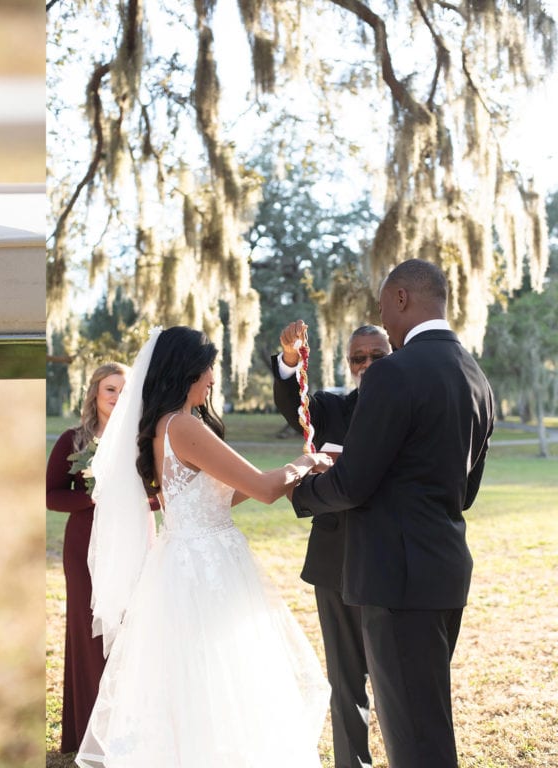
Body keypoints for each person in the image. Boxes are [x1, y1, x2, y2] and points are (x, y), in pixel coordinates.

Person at [76, 326, 333, 768]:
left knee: (195, 682)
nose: (213, 378)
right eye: (209, 368)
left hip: (182, 561)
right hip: (206, 566)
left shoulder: (162, 426)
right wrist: (307, 462)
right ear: (187, 372)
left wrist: (283, 472)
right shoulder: (184, 427)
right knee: (223, 683)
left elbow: (227, 492)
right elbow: (265, 490)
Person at [290, 259, 495, 767]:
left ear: (401, 298)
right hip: (445, 572)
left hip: (395, 581)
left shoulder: (392, 373)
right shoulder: (476, 378)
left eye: (384, 305)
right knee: (426, 720)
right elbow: (463, 492)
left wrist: (302, 489)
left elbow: (355, 483)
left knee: (415, 741)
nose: (382, 315)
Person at [271, 320, 391, 768]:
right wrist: (289, 359)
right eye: (358, 357)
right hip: (335, 559)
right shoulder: (330, 407)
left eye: (376, 356)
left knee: (397, 678)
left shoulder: (413, 404)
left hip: (392, 558)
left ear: (394, 354)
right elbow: (293, 405)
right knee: (346, 678)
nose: (366, 365)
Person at [46, 362, 130, 754]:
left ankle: (126, 727)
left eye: (123, 390)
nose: (116, 397)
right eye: (110, 389)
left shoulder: (140, 439)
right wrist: (91, 497)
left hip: (130, 542)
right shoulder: (74, 440)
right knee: (87, 630)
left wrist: (130, 500)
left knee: (128, 630)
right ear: (95, 393)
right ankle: (88, 733)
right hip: (84, 544)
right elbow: (50, 494)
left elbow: (155, 492)